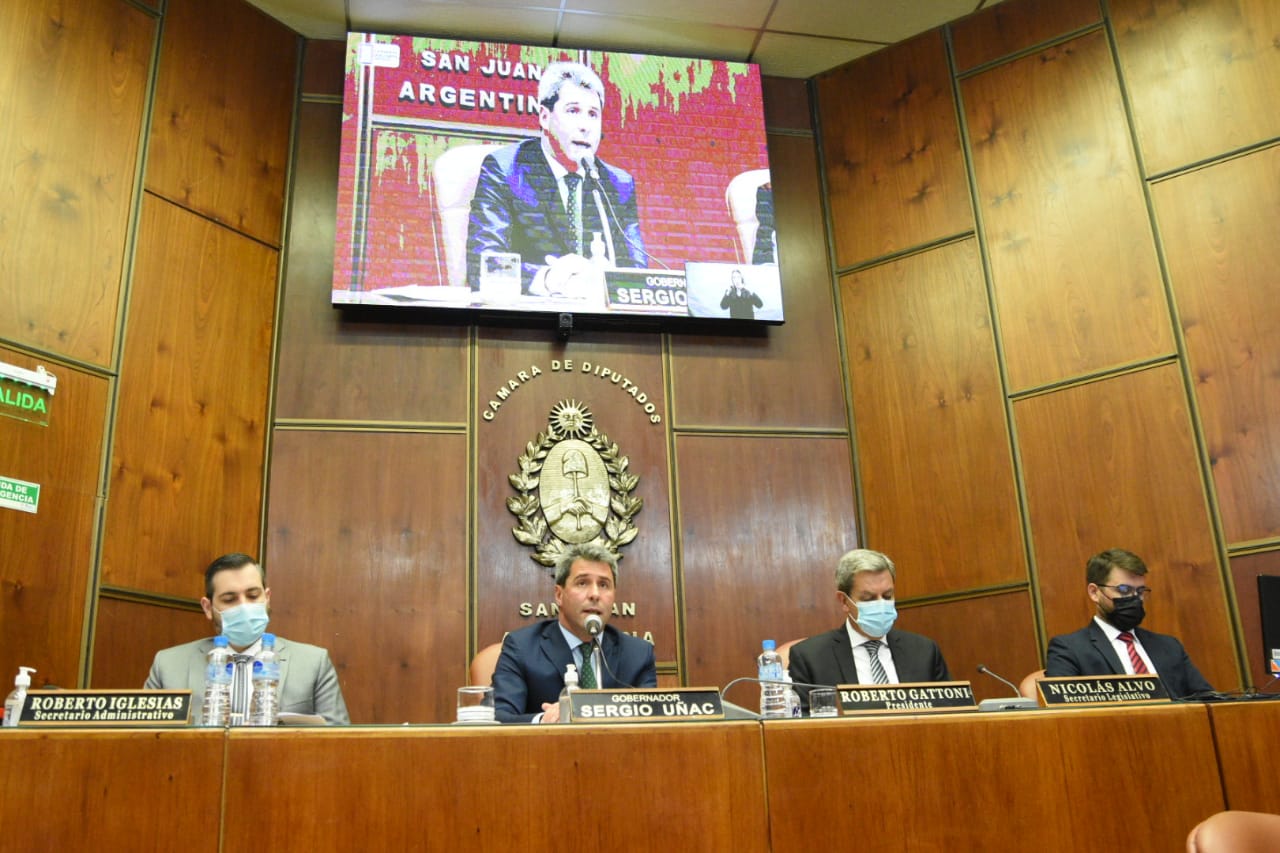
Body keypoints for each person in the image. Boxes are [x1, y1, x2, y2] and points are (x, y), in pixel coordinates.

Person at [465, 61, 648, 296]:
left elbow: (637, 274)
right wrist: (548, 278)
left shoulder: (617, 184)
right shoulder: (505, 170)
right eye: (573, 111)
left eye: (593, 114)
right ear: (544, 116)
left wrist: (609, 278)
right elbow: (483, 263)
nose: (585, 126)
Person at [144, 552, 350, 725]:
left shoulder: (313, 662)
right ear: (208, 607)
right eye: (230, 599)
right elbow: (144, 740)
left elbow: (340, 741)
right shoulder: (168, 665)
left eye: (253, 596)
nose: (244, 606)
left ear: (267, 598)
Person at [492, 542, 656, 723]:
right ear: (559, 595)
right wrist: (544, 720)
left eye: (603, 585)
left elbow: (652, 721)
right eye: (582, 583)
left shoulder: (638, 654)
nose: (595, 594)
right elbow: (499, 717)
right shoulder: (522, 647)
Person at [787, 549, 950, 708]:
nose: (881, 604)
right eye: (868, 598)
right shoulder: (810, 657)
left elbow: (951, 710)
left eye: (887, 596)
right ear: (844, 601)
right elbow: (803, 721)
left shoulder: (924, 651)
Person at [1045, 548, 1213, 699]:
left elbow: (1208, 699)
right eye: (1124, 590)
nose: (1134, 598)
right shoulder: (1069, 649)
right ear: (1095, 592)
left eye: (1140, 591)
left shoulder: (1169, 646)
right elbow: (1065, 710)